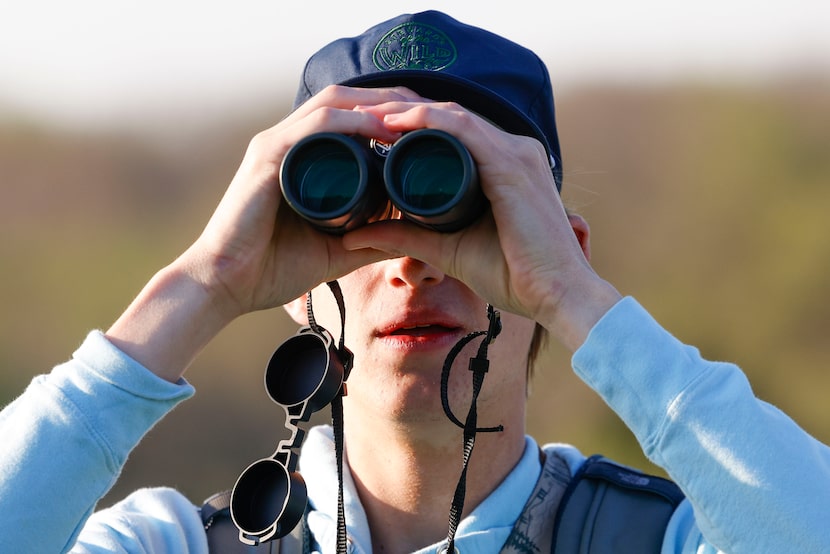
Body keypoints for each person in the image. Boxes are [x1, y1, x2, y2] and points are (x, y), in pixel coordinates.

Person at [0, 10, 828, 554]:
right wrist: (207, 279)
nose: (413, 262)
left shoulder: (676, 538)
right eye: (357, 225)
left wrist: (578, 299)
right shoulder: (170, 545)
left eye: (464, 211)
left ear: (560, 254)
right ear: (296, 283)